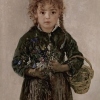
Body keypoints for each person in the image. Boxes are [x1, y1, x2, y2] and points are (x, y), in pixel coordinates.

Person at [12, 0, 84, 100]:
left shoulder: (64, 36)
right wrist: (32, 71)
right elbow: (17, 62)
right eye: (42, 12)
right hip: (34, 89)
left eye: (53, 12)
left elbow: (78, 58)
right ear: (35, 13)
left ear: (60, 13)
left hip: (60, 89)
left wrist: (62, 67)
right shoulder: (28, 38)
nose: (47, 16)